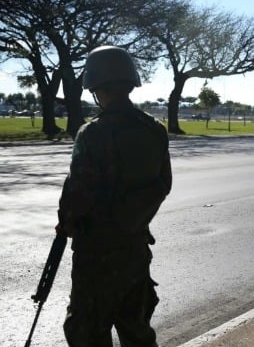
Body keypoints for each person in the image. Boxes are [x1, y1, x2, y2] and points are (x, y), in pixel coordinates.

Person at [55, 45, 172, 346]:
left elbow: (76, 196)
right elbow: (163, 184)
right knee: (137, 332)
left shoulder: (92, 133)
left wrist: (65, 225)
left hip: (96, 256)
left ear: (96, 87)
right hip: (134, 251)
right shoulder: (154, 129)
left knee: (87, 334)